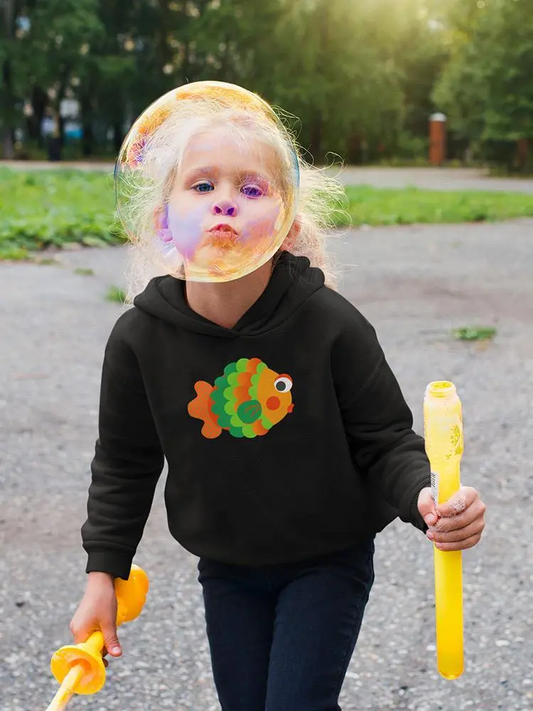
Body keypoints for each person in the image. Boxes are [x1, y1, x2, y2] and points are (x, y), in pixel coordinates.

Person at [70, 83, 486, 711]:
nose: (225, 205)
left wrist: (426, 498)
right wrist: (103, 575)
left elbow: (384, 440)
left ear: (285, 221)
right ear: (165, 218)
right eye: (202, 185)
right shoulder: (139, 338)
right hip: (228, 566)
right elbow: (124, 465)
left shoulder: (329, 324)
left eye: (252, 188)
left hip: (327, 559)